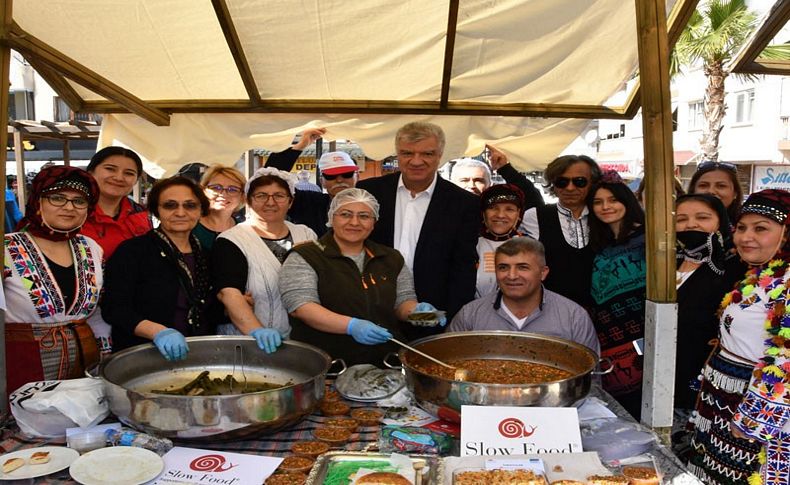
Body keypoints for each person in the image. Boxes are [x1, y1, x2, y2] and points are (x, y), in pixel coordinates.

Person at [686, 189, 790, 485]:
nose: (746, 237)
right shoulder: (758, 275)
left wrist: (753, 420)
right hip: (723, 398)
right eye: (742, 227)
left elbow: (786, 361)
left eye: (761, 229)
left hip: (753, 413)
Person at [280, 188, 444, 365]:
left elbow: (403, 303)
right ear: (331, 218)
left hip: (385, 362)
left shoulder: (390, 258)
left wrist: (422, 315)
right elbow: (302, 308)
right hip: (328, 366)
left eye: (364, 216)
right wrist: (351, 326)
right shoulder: (305, 256)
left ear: (374, 222)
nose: (355, 222)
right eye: (345, 214)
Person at [357, 122, 479, 339]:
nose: (416, 161)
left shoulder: (464, 203)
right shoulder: (370, 192)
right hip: (371, 310)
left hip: (430, 316)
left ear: (440, 155)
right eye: (407, 153)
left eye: (427, 153)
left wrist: (449, 320)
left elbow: (463, 268)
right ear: (397, 153)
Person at [4, 166, 102, 393]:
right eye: (57, 198)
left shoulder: (91, 248)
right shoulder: (7, 248)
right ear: (38, 201)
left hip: (82, 364)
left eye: (79, 201)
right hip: (20, 365)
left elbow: (97, 312)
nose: (69, 207)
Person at [102, 176, 219, 360]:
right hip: (144, 355)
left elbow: (209, 308)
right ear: (156, 210)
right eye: (170, 205)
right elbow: (114, 308)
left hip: (198, 352)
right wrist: (157, 332)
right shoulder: (133, 251)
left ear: (201, 210)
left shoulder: (206, 254)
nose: (180, 212)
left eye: (190, 205)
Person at [213, 167, 317, 353]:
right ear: (249, 201)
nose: (270, 202)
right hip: (246, 343)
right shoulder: (232, 240)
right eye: (261, 195)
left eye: (279, 195)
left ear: (290, 201)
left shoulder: (305, 234)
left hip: (301, 342)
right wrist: (257, 330)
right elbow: (228, 293)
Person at [671, 193, 740, 456]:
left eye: (702, 218)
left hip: (703, 379)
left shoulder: (730, 268)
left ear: (720, 222)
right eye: (682, 219)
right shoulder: (665, 262)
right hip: (662, 371)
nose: (691, 225)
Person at [449, 237, 599, 354]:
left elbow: (591, 381)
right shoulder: (470, 315)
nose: (512, 276)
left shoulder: (574, 317)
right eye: (503, 267)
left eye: (522, 267)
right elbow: (446, 366)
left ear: (543, 273)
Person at [587, 170, 646, 420]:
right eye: (598, 202)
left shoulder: (647, 238)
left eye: (612, 200)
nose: (605, 207)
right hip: (607, 331)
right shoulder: (599, 242)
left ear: (626, 201)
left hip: (641, 327)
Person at [522, 155, 602, 307]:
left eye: (579, 181)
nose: (570, 188)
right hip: (550, 309)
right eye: (562, 182)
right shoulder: (534, 217)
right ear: (553, 184)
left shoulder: (602, 215)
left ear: (592, 183)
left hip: (598, 309)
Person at [81, 146, 152, 260]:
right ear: (90, 173)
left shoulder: (140, 214)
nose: (119, 178)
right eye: (110, 169)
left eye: (129, 173)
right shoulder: (73, 212)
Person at [288, 150, 359, 237]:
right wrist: (300, 145)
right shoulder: (309, 203)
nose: (339, 180)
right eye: (331, 176)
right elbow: (272, 174)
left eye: (347, 174)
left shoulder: (374, 202)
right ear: (322, 181)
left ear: (357, 177)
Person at [450, 145, 544, 210]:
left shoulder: (498, 215)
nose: (471, 185)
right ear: (452, 183)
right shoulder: (442, 210)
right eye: (464, 180)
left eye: (479, 180)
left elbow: (533, 203)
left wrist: (505, 169)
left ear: (490, 184)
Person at [475, 184, 527, 297]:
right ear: (483, 212)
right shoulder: (469, 244)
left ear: (519, 214)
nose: (500, 215)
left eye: (509, 209)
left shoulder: (529, 247)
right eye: (493, 208)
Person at [193, 165, 246, 250]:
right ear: (203, 191)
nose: (223, 194)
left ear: (242, 196)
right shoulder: (190, 227)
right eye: (216, 188)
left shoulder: (244, 231)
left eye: (232, 189)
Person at [687, 160, 743, 226]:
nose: (711, 191)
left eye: (721, 186)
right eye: (703, 185)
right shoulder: (676, 223)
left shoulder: (745, 224)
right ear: (693, 191)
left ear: (735, 193)